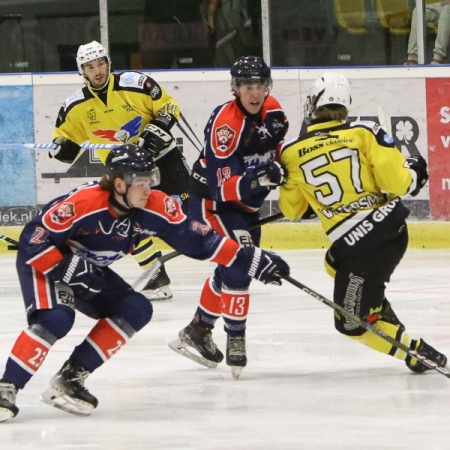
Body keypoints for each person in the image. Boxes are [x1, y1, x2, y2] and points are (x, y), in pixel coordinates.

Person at [0, 144, 289, 423]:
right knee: (56, 319)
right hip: (47, 264)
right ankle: (6, 387)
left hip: (89, 270)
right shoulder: (83, 204)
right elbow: (33, 241)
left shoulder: (156, 205)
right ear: (118, 184)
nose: (148, 188)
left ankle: (71, 377)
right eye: (141, 182)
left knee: (136, 309)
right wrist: (65, 266)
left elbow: (201, 241)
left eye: (151, 180)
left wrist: (250, 259)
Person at [278, 72, 447, 373]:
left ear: (313, 104)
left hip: (363, 250)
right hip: (389, 231)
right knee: (333, 262)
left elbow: (292, 211)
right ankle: (377, 308)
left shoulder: (290, 152)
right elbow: (398, 183)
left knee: (350, 324)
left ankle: (416, 353)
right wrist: (415, 172)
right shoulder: (364, 132)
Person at [169, 56, 289, 379]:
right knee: (241, 262)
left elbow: (277, 152)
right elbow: (223, 188)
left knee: (229, 267)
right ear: (236, 88)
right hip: (212, 204)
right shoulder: (226, 125)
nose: (255, 93)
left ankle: (198, 329)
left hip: (246, 207)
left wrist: (281, 171)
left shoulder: (275, 112)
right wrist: (262, 179)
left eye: (260, 86)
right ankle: (236, 337)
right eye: (248, 86)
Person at [50, 40, 192, 302]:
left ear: (109, 62)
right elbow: (61, 141)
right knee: (128, 224)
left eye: (101, 63)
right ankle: (156, 279)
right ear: (82, 72)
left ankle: (228, 261)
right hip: (124, 173)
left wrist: (157, 127)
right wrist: (60, 149)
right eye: (90, 67)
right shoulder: (74, 105)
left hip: (164, 159)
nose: (97, 70)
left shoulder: (136, 83)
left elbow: (169, 107)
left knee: (193, 213)